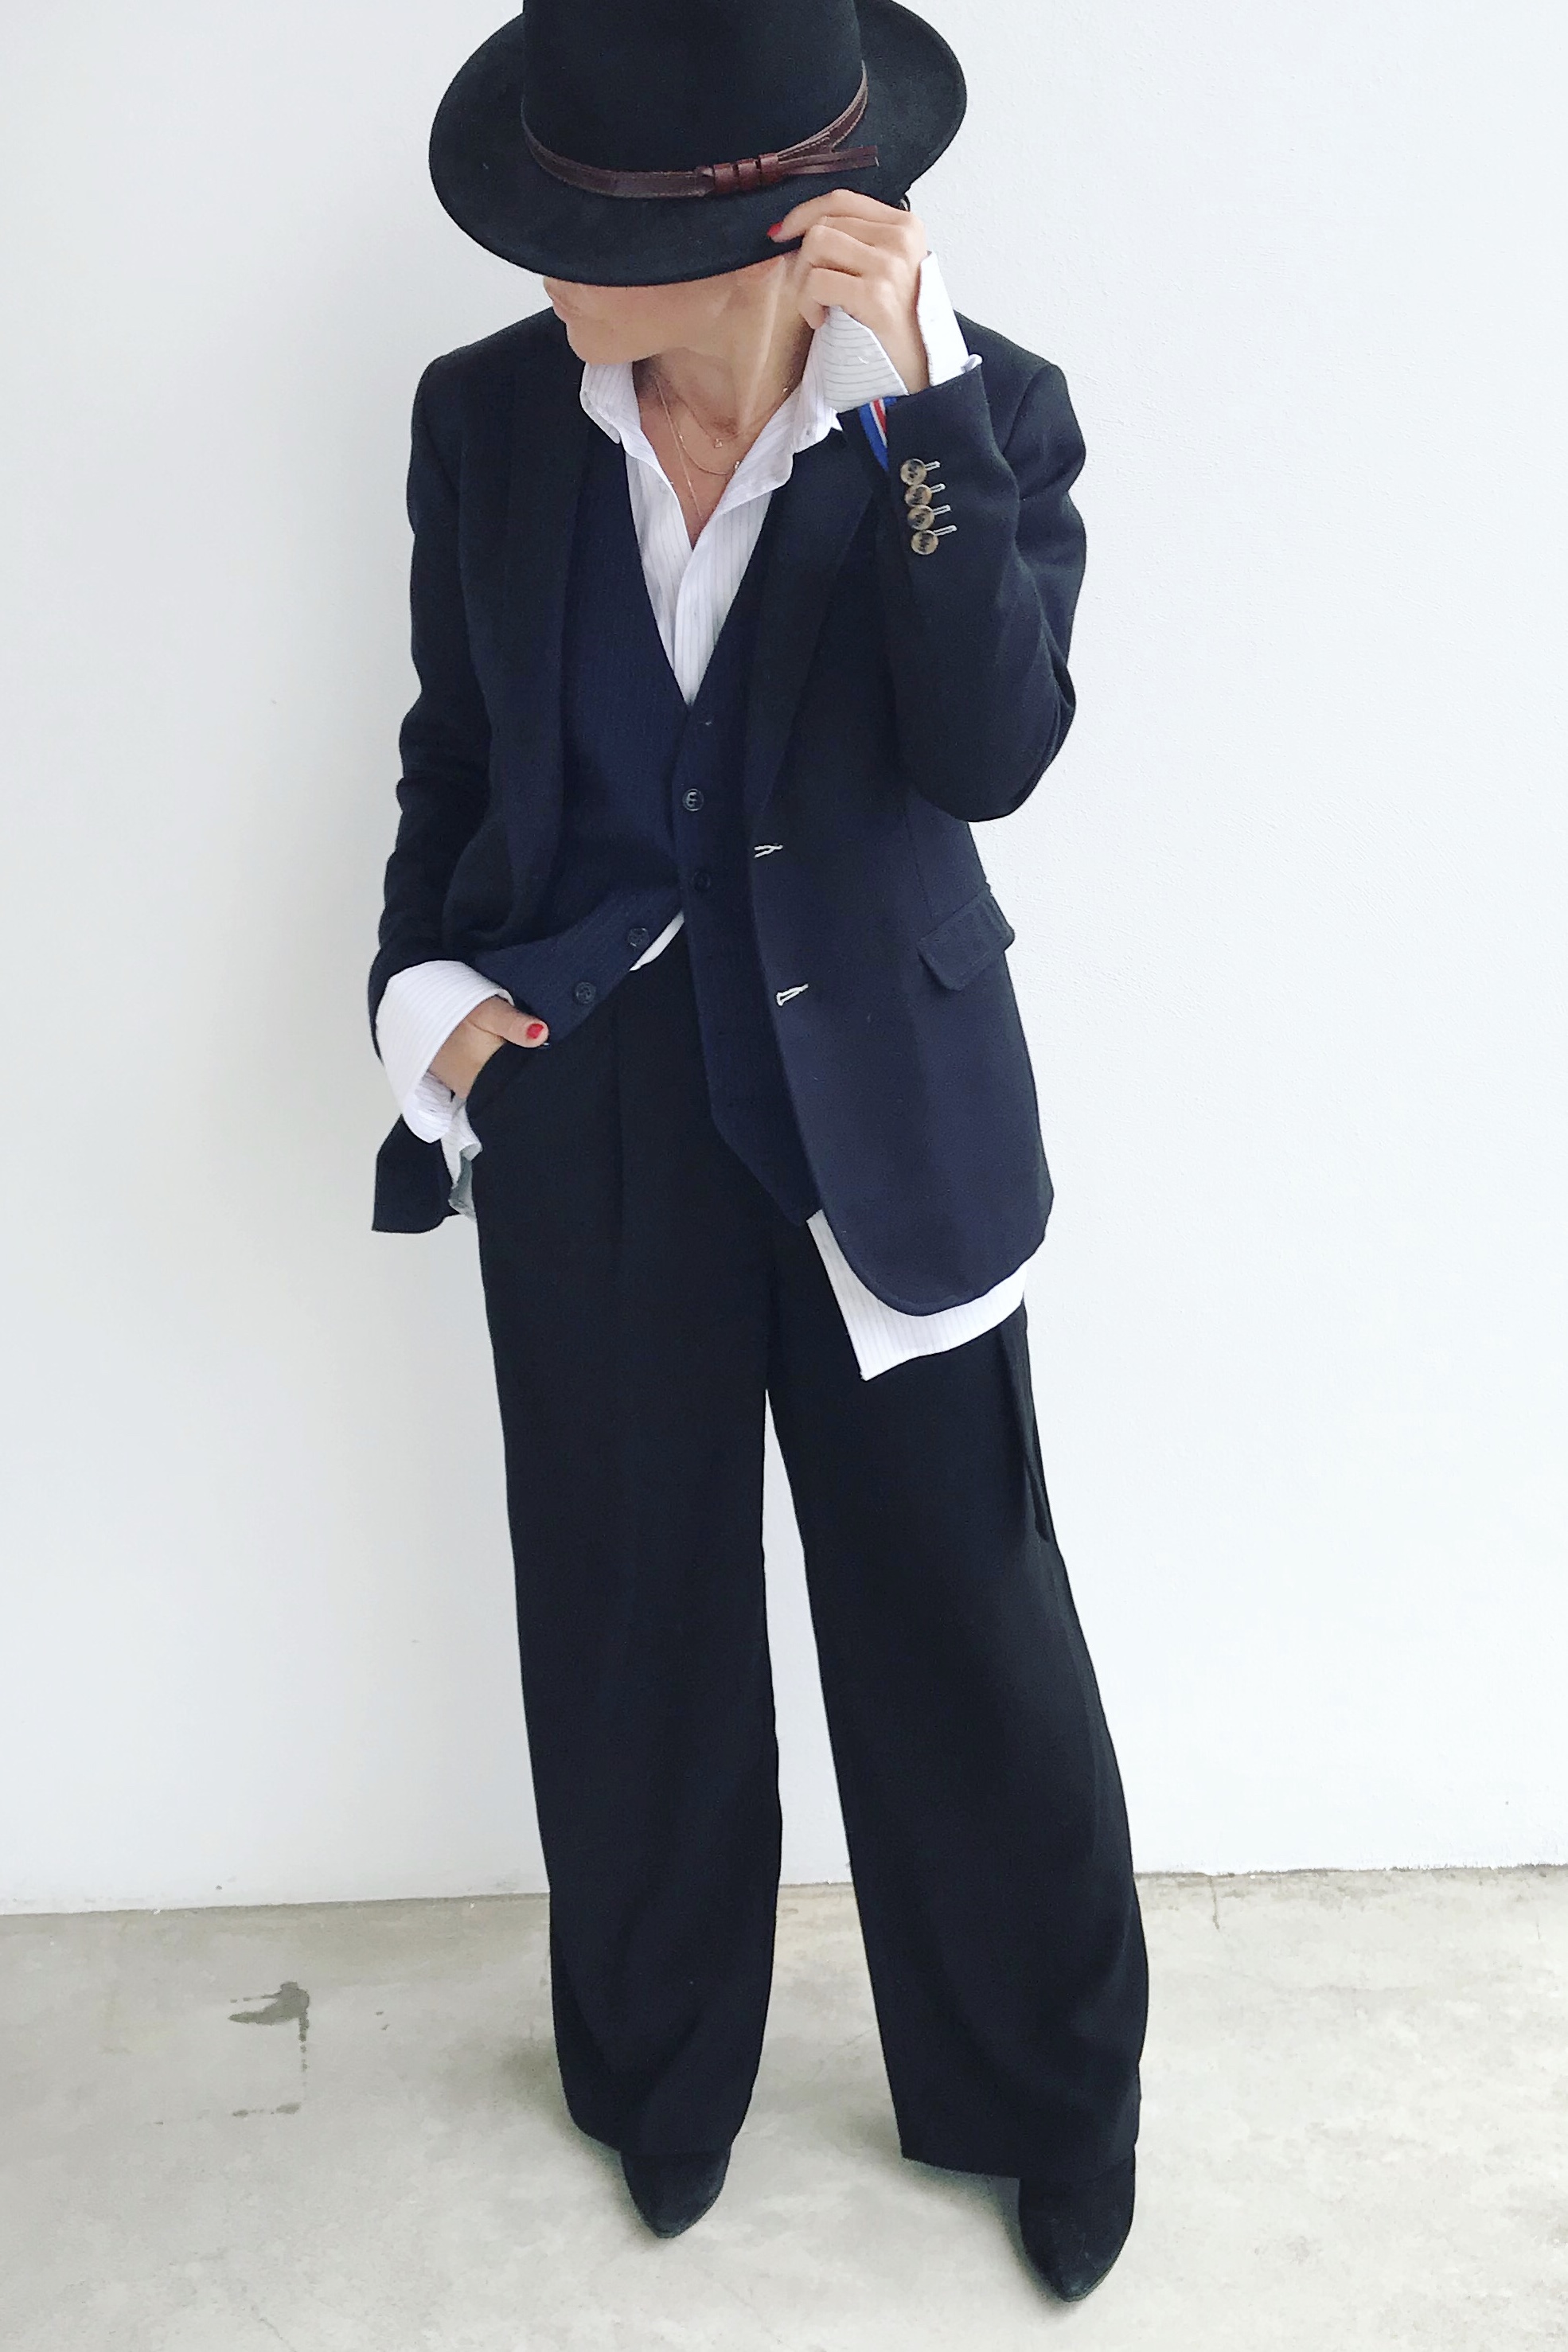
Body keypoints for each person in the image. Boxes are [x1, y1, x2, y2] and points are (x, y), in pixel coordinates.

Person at [369, 0, 1148, 2303]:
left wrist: (910, 410)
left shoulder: (975, 415)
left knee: (962, 1627)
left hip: (882, 1108)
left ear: (767, 232)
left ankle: (1038, 2097)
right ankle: (659, 2072)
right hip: (594, 1094)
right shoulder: (486, 418)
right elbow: (452, 749)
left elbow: (990, 748)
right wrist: (428, 1008)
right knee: (630, 1621)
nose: (533, 264)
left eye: (574, 228)